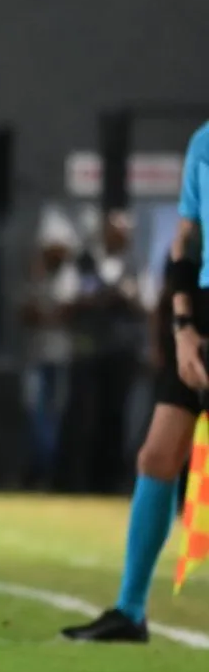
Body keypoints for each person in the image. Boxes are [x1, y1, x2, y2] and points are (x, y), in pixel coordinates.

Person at [61, 121, 209, 642]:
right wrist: (185, 329)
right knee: (157, 457)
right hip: (204, 319)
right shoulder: (203, 142)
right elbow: (186, 244)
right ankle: (130, 611)